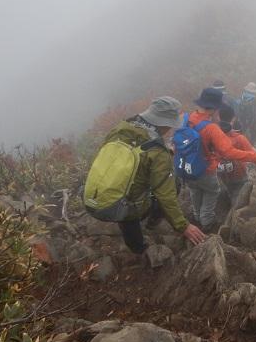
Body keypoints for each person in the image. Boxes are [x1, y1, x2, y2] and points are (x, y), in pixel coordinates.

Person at [88, 97, 206, 254]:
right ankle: (143, 244)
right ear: (164, 123)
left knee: (130, 189)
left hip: (93, 198)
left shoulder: (120, 129)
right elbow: (166, 195)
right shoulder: (157, 152)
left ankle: (134, 242)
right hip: (118, 208)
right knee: (171, 184)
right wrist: (183, 226)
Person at [181, 87, 256, 230]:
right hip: (216, 174)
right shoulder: (215, 130)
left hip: (191, 168)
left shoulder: (189, 119)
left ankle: (197, 217)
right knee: (214, 193)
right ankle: (208, 225)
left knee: (196, 192)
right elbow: (230, 152)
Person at [216, 104, 256, 209]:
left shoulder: (212, 134)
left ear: (218, 117)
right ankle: (234, 216)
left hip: (219, 173)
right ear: (233, 118)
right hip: (238, 174)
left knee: (226, 191)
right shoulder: (239, 138)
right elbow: (253, 154)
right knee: (238, 198)